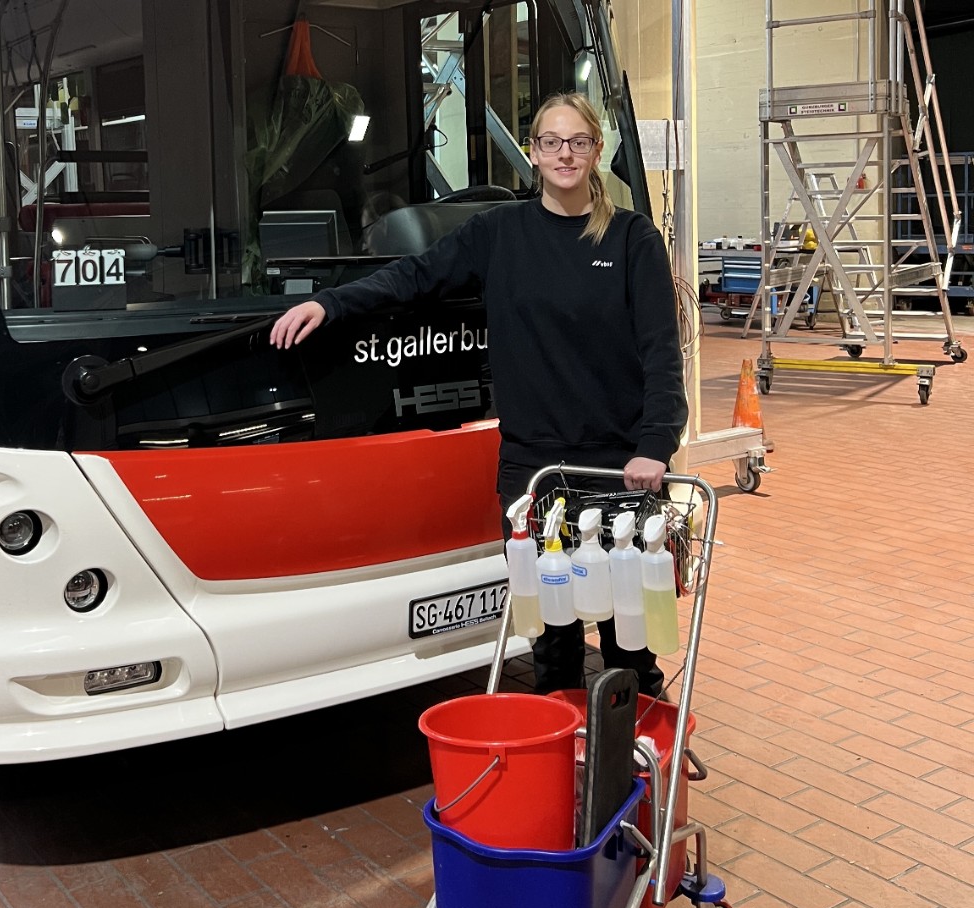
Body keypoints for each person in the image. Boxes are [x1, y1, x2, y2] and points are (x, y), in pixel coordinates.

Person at [269, 92, 687, 697]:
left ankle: (633, 762)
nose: (564, 154)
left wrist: (655, 445)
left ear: (596, 149)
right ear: (533, 151)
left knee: (629, 639)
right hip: (534, 469)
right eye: (551, 142)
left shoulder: (631, 239)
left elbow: (660, 354)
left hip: (619, 464)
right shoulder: (499, 233)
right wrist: (328, 302)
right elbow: (412, 277)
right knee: (551, 636)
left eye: (577, 142)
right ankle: (560, 758)